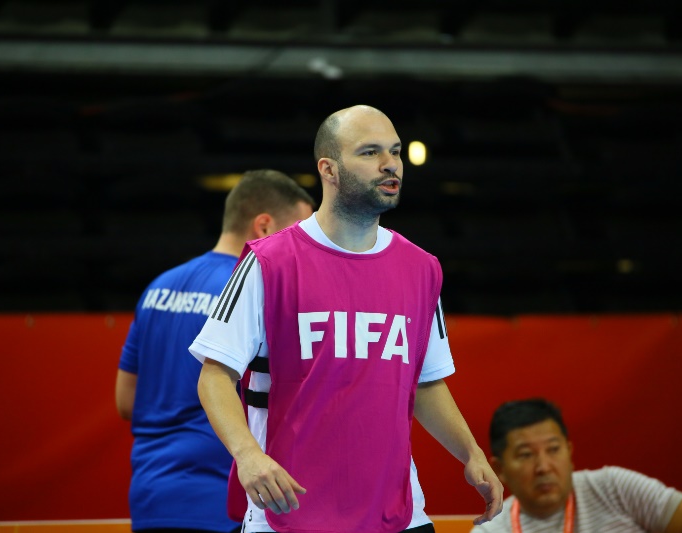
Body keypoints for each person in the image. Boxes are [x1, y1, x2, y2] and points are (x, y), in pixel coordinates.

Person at [189, 105, 503, 533]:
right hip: (287, 512)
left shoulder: (421, 268)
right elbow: (214, 375)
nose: (390, 164)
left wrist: (471, 453)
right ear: (329, 169)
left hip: (399, 514)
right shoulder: (268, 262)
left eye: (395, 151)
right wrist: (247, 455)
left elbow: (426, 383)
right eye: (370, 152)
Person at [115, 169, 315, 533]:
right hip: (222, 501)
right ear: (264, 227)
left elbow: (126, 401)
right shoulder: (253, 293)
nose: (306, 248)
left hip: (150, 498)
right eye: (299, 233)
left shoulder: (159, 287)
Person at [473, 398, 682, 533]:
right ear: (500, 469)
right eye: (526, 455)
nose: (544, 467)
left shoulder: (614, 487)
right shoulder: (492, 530)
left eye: (553, 449)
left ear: (569, 452)